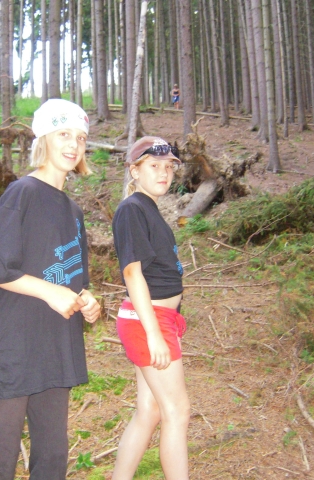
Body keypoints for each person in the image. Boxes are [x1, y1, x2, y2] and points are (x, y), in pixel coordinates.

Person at [0, 98, 101, 480]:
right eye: (63, 134)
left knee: (52, 457)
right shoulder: (22, 193)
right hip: (13, 343)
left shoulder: (73, 211)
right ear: (44, 140)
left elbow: (73, 278)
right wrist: (50, 292)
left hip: (55, 345)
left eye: (81, 138)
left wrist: (86, 299)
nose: (73, 145)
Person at [111, 136, 190, 479]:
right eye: (154, 166)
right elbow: (132, 273)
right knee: (177, 411)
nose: (163, 173)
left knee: (150, 410)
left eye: (169, 166)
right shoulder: (132, 209)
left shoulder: (148, 209)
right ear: (135, 171)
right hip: (149, 320)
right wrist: (154, 333)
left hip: (157, 319)